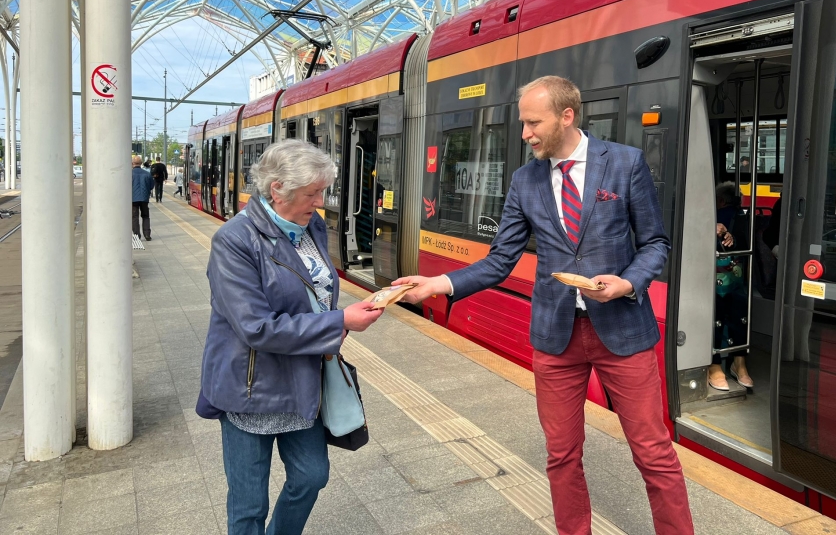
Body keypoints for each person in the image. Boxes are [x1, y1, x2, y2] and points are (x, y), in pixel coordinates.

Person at [395, 76, 692, 535]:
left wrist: (627, 283)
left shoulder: (625, 163)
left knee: (653, 452)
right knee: (561, 455)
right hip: (556, 337)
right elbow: (500, 260)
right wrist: (439, 283)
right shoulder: (525, 179)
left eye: (534, 123)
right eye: (523, 123)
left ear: (566, 116)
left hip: (622, 330)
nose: (525, 134)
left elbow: (655, 243)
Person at [197, 139, 383, 534]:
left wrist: (343, 316)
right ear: (277, 189)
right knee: (249, 504)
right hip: (251, 389)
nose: (320, 202)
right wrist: (338, 322)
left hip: (301, 378)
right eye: (312, 193)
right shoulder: (234, 240)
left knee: (312, 476)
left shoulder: (309, 225)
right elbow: (256, 327)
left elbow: (314, 291)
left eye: (322, 191)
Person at [710, 182, 752, 390]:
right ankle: (739, 364)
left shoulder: (715, 216)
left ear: (720, 200)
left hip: (716, 277)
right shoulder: (745, 217)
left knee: (716, 317)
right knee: (739, 317)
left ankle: (715, 365)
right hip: (738, 277)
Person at [131, 155, 154, 241]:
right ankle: (147, 234)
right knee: (145, 216)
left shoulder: (129, 174)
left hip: (133, 199)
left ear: (132, 163)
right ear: (141, 163)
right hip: (144, 198)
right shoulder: (147, 174)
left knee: (134, 217)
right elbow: (151, 186)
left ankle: (137, 235)